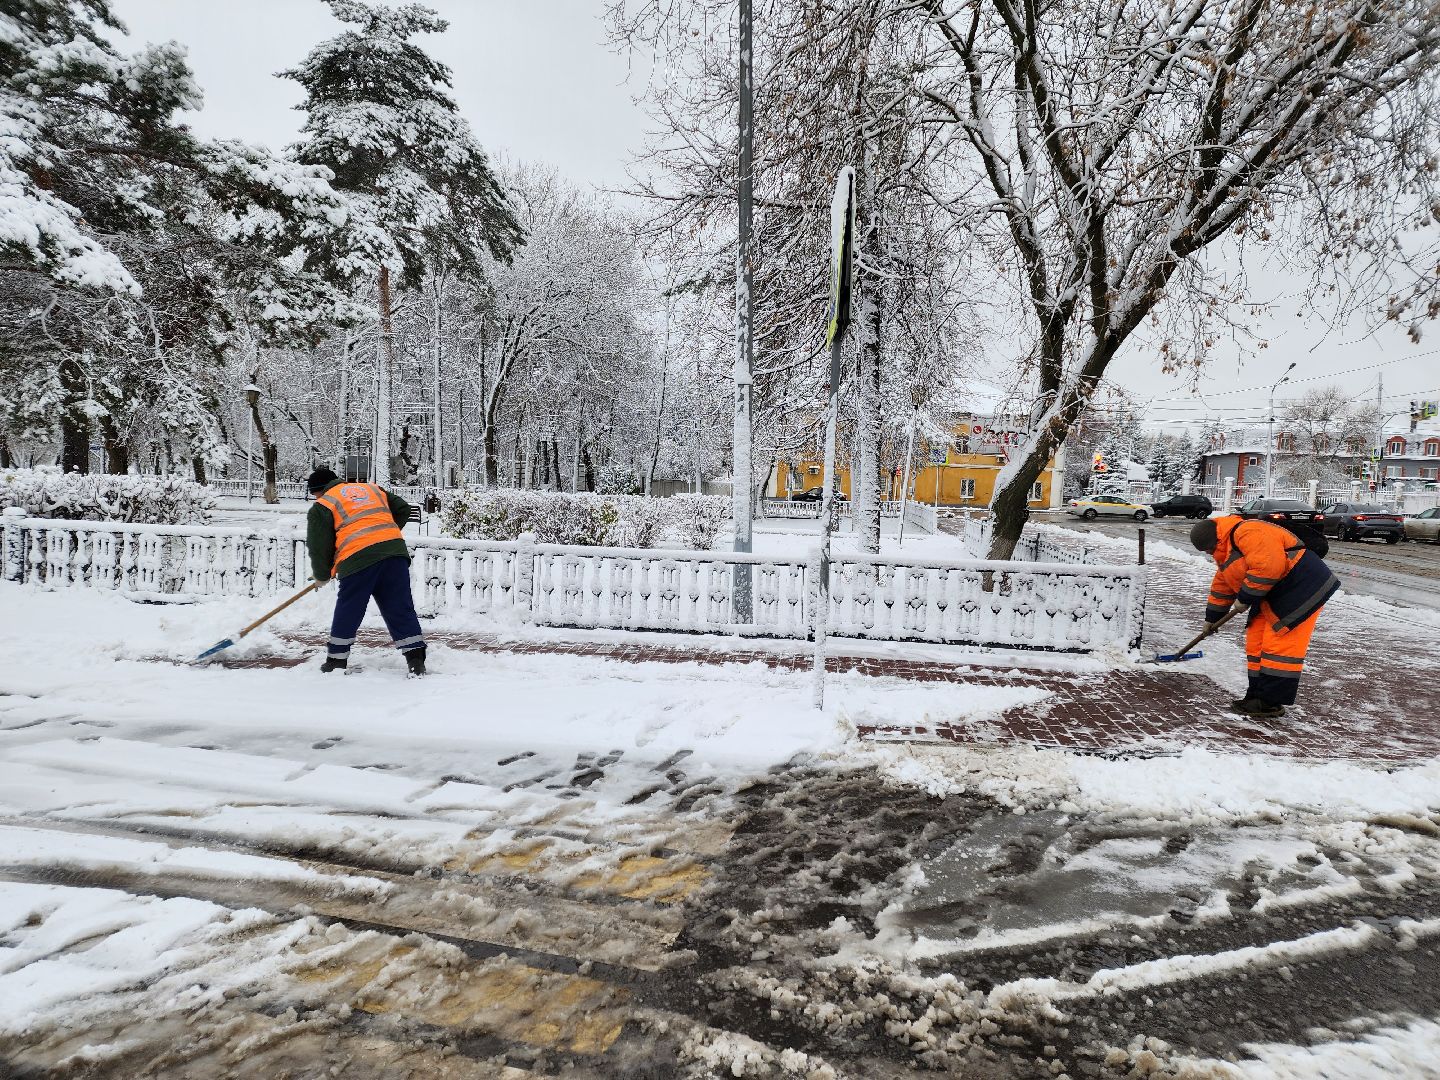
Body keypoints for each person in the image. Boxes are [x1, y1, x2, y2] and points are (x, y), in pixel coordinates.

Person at [1190, 515, 1339, 717]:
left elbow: (1269, 566)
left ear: (1216, 540)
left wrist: (1245, 597)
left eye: (1208, 549)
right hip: (1272, 592)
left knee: (1278, 646)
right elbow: (1222, 586)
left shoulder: (1248, 532)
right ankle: (1256, 694)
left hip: (1302, 587)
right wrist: (1212, 619)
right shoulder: (1225, 552)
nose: (1208, 554)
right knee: (1256, 641)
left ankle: (1269, 703)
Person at [306, 467, 426, 676]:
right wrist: (384, 534)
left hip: (358, 559)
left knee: (350, 607)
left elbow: (319, 546)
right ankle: (416, 658)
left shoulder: (323, 504)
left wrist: (322, 575)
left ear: (319, 490)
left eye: (314, 494)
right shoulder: (371, 489)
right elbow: (403, 508)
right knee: (399, 606)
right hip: (394, 553)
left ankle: (336, 660)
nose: (315, 498)